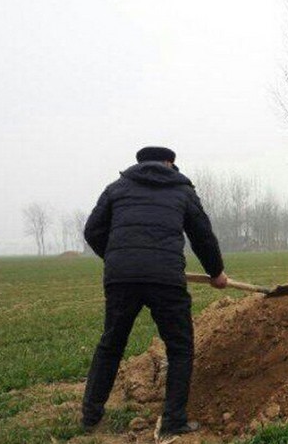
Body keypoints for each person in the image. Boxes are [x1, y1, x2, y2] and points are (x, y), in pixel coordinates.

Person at [82, 146, 227, 441]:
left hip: (121, 279)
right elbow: (202, 236)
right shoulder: (182, 190)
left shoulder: (116, 188)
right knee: (180, 347)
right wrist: (216, 273)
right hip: (166, 279)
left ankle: (90, 414)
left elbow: (92, 231)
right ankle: (174, 420)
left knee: (111, 344)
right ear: (170, 163)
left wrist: (116, 257)